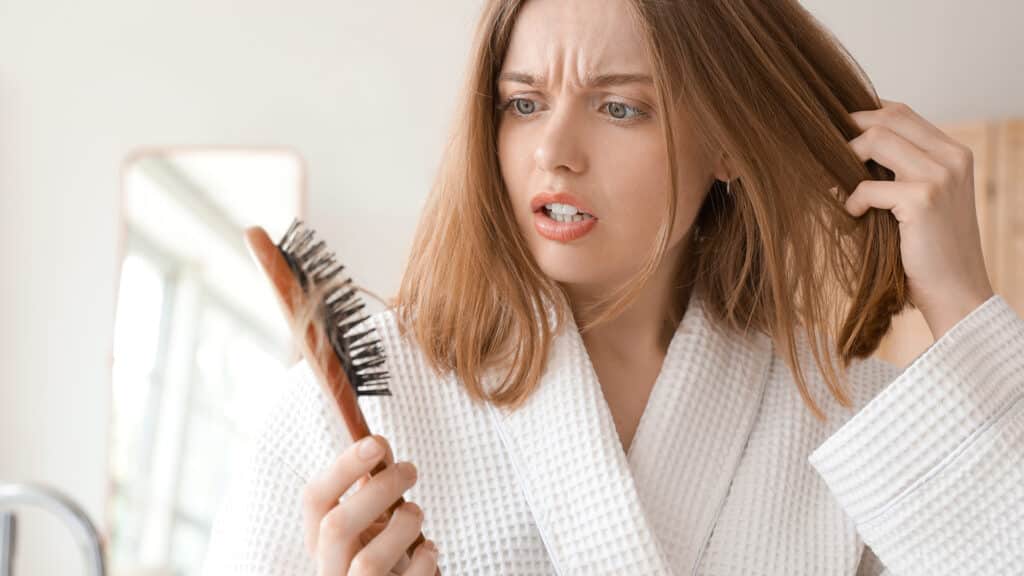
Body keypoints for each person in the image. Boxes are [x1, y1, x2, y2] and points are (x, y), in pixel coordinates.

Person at [202, 0, 1024, 574]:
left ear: (730, 142)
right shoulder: (344, 419)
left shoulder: (858, 424)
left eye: (621, 109)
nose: (552, 150)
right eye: (523, 102)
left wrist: (961, 305)